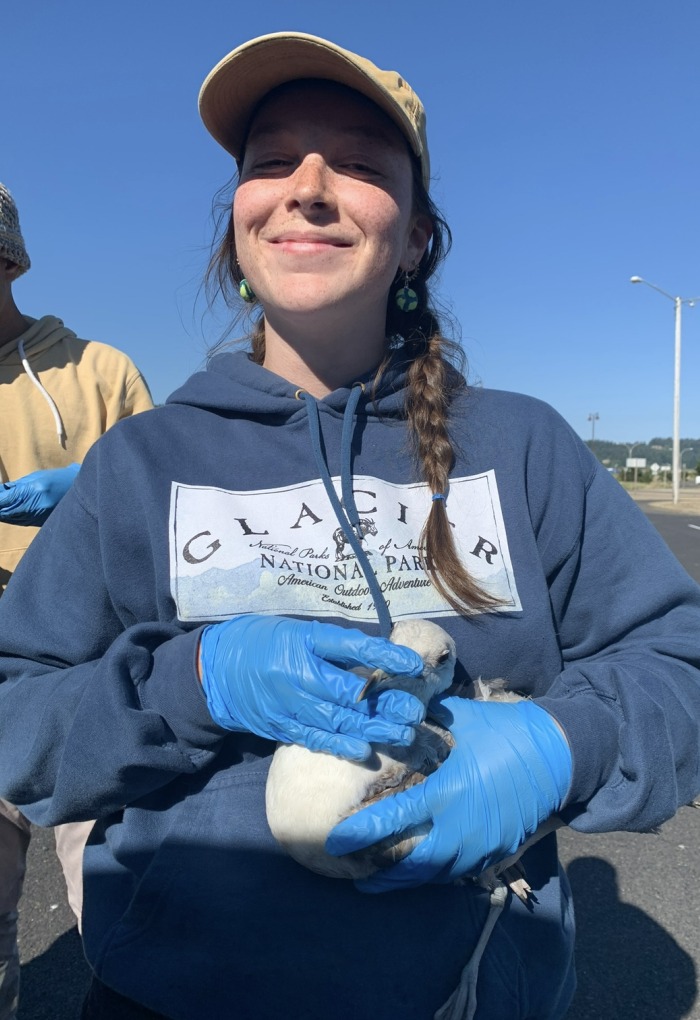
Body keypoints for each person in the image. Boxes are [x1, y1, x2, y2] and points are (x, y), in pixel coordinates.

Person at [0, 34, 699, 1020]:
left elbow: (680, 663)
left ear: (414, 236)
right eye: (271, 160)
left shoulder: (525, 445)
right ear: (237, 223)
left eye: (362, 165)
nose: (309, 188)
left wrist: (565, 739)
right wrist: (189, 681)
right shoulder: (142, 461)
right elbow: (15, 715)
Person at [0, 181, 153, 1020]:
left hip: (96, 661)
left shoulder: (101, 373)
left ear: (10, 258)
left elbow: (178, 519)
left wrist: (94, 489)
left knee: (131, 909)